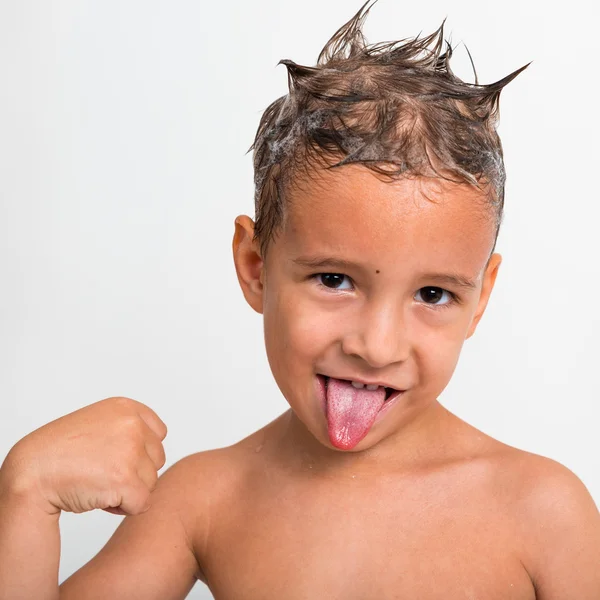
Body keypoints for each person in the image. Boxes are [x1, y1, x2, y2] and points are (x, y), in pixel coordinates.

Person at [1, 2, 599, 598]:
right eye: (335, 280)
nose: (376, 346)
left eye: (433, 293)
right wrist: (28, 494)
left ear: (481, 297)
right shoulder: (204, 500)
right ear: (255, 267)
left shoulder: (544, 513)